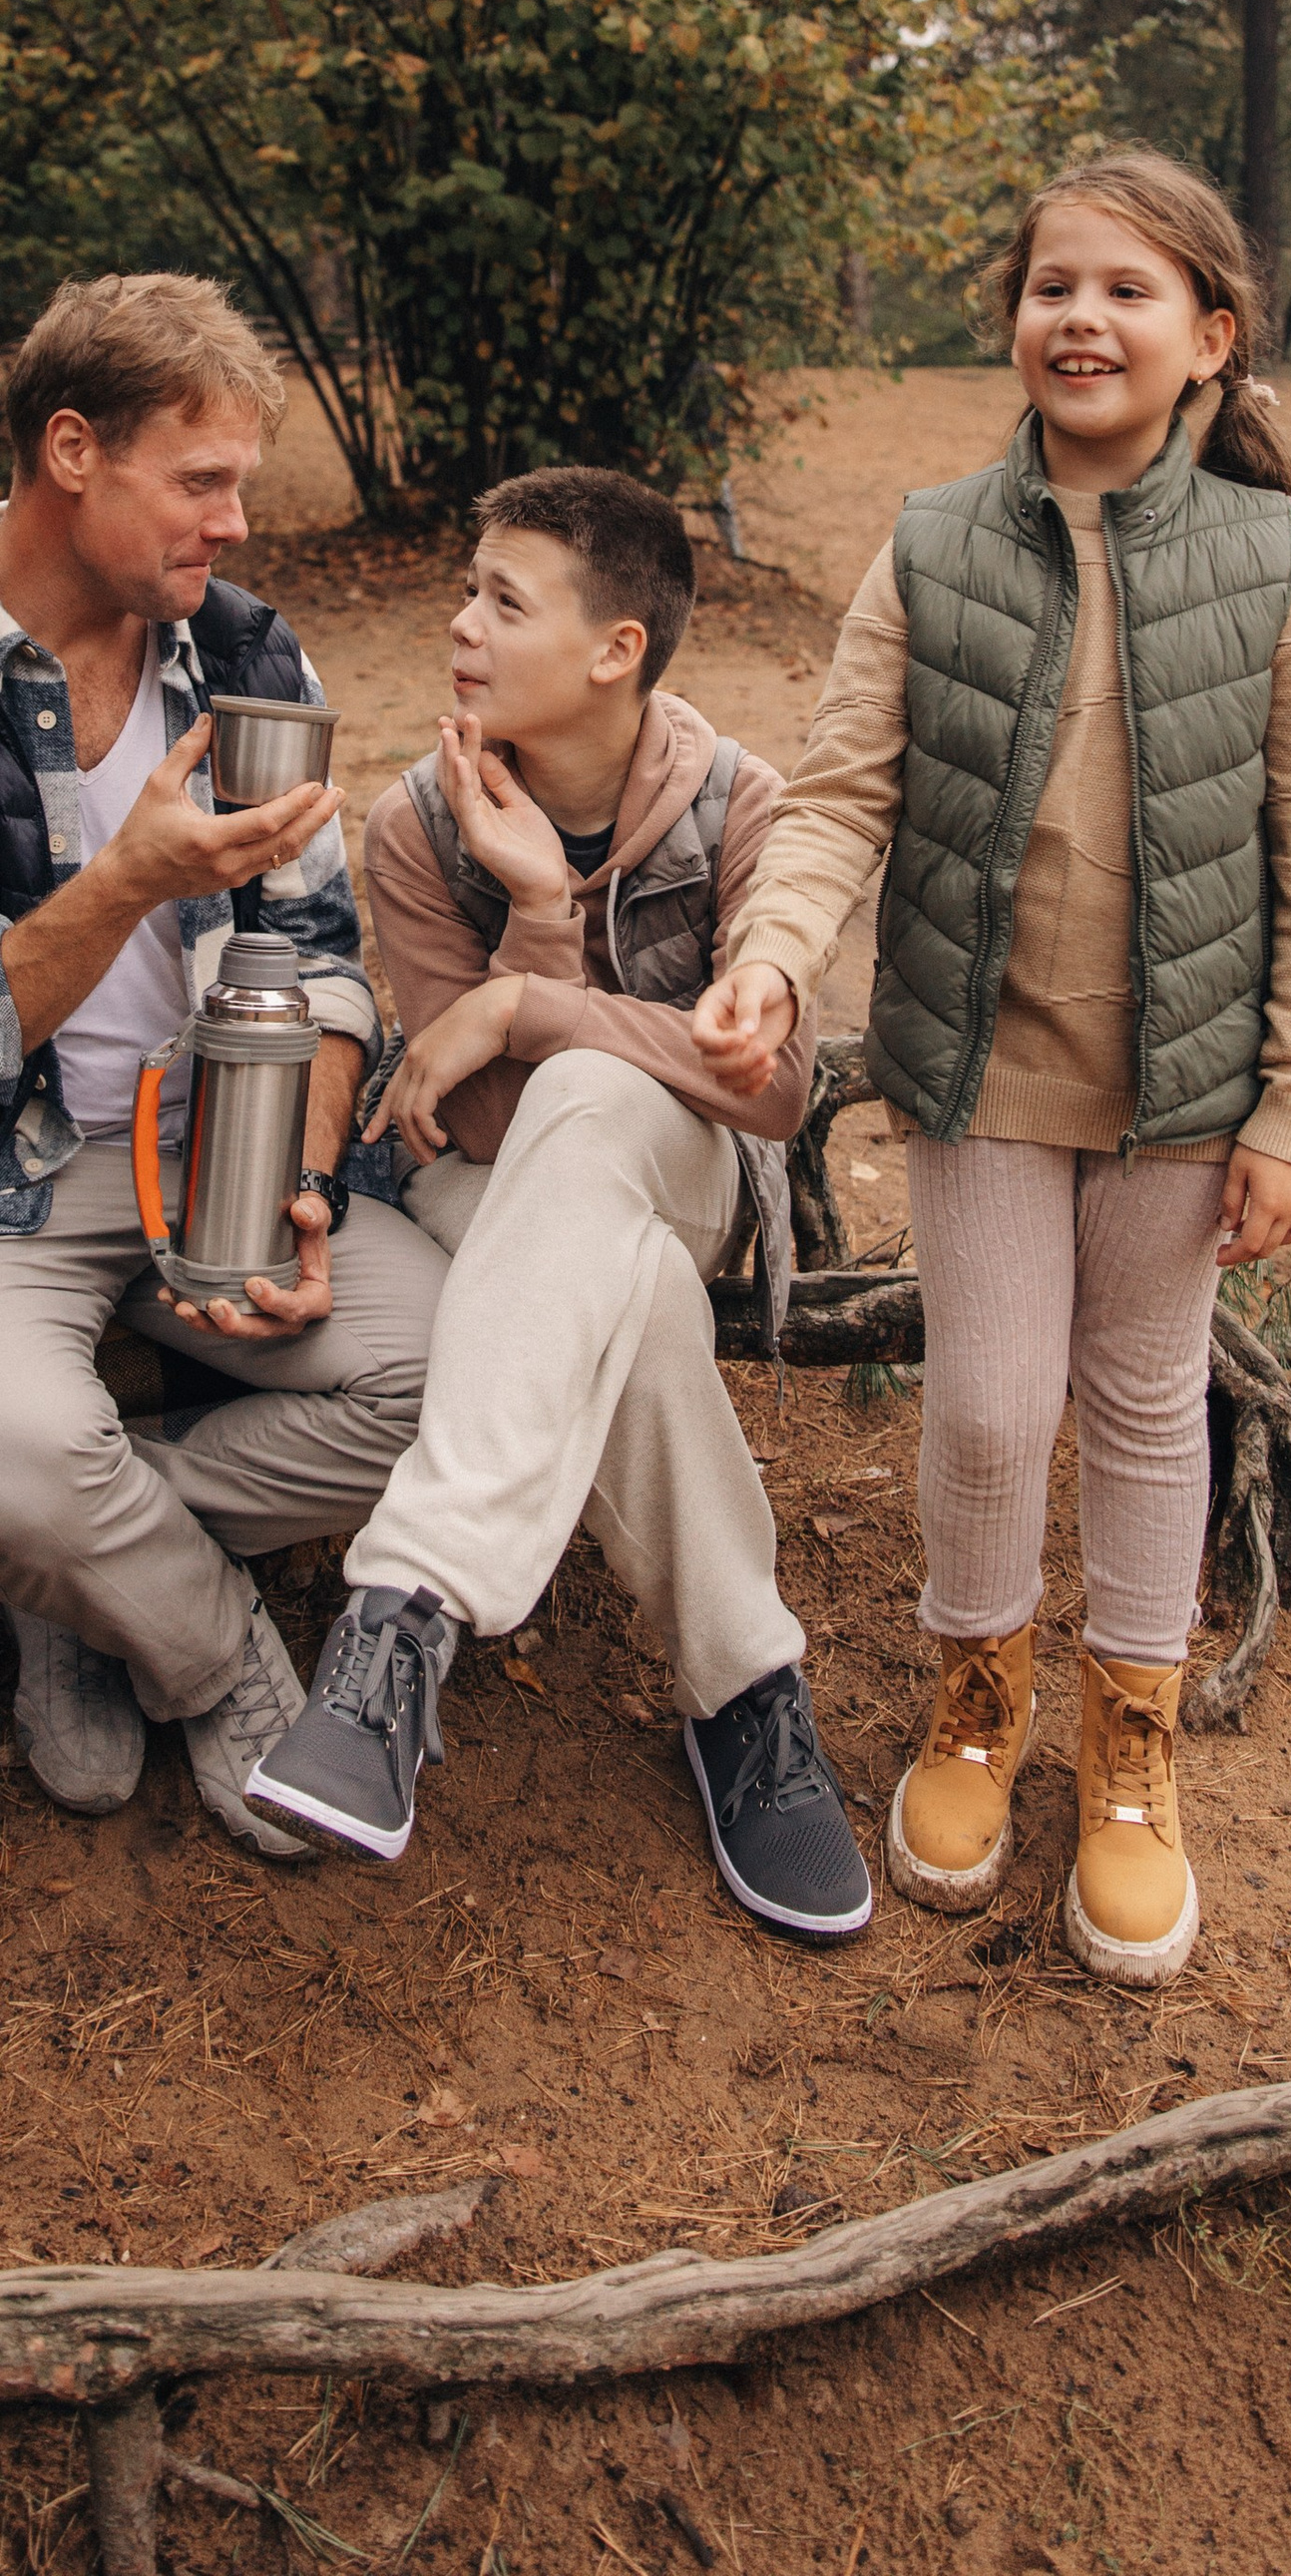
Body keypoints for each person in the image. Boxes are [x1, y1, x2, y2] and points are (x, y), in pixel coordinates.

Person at [691, 151, 1291, 1985]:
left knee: (1148, 1398)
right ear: (1014, 321)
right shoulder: (933, 545)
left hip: (1191, 1084)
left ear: (1209, 338)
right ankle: (977, 1695)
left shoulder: (1269, 567)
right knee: (992, 1406)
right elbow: (840, 795)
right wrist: (770, 956)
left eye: (1127, 291)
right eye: (1051, 286)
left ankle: (1132, 1751)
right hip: (983, 1058)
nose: (1081, 317)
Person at [0, 273, 447, 1858]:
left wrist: (291, 1174)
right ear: (70, 451)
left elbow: (328, 961)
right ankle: (211, 1656)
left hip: (220, 1149)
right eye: (202, 481)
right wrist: (128, 877)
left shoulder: (249, 655)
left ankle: (76, 1568)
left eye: (241, 486)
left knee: (463, 1381)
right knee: (10, 1461)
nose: (237, 524)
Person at [243, 468, 873, 1942]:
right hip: (488, 1193)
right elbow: (470, 1120)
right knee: (633, 1291)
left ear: (616, 651)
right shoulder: (421, 826)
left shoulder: (738, 810)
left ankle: (402, 1616)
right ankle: (747, 1693)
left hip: (691, 1178)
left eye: (501, 601)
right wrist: (532, 910)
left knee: (600, 1110)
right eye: (468, 590)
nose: (460, 624)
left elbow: (772, 1095)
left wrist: (525, 998)